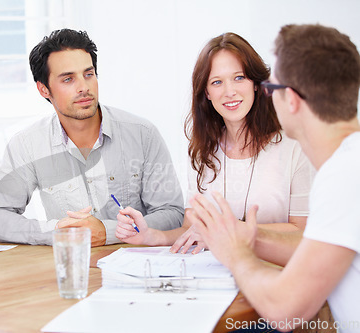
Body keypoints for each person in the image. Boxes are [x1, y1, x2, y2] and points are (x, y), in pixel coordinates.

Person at [188, 24, 360, 331]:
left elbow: (283, 309)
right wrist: (236, 234)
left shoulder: (344, 178)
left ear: (290, 100)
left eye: (273, 87)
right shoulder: (348, 166)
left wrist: (237, 254)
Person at [116, 33, 314, 263]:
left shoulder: (294, 147)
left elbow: (302, 232)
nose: (229, 91)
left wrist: (226, 231)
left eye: (239, 78)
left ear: (256, 84)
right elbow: (192, 231)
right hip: (217, 274)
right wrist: (150, 235)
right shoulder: (202, 151)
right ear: (207, 93)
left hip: (275, 271)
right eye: (217, 82)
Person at [0, 29, 184, 247]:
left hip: (136, 263)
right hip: (72, 265)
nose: (84, 87)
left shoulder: (142, 134)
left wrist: (108, 231)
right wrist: (59, 231)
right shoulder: (27, 144)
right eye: (68, 79)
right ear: (44, 90)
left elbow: (172, 213)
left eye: (89, 74)